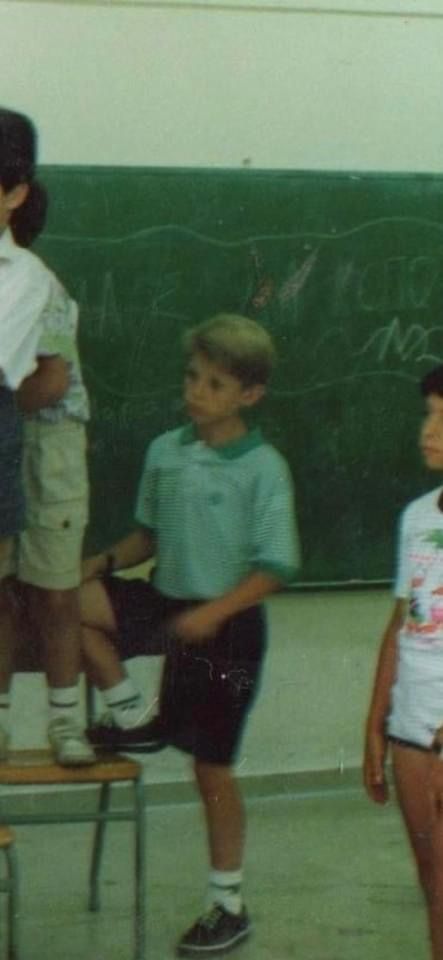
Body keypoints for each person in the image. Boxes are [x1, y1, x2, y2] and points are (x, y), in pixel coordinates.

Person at [80, 313, 300, 955]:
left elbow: (277, 566)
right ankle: (133, 713)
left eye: (214, 383)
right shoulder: (165, 451)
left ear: (249, 394)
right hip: (168, 602)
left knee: (211, 768)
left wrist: (215, 613)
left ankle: (228, 905)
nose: (196, 391)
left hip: (229, 624)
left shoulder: (264, 468)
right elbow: (148, 535)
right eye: (192, 377)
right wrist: (104, 561)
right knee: (67, 601)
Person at [0, 106, 94, 767]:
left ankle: (66, 722)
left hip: (45, 448)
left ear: (15, 194)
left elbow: (50, 382)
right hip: (5, 441)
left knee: (55, 591)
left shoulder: (36, 283)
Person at [364, 364, 443, 960]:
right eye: (428, 414)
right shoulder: (416, 518)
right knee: (433, 881)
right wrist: (376, 725)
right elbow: (401, 624)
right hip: (411, 729)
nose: (429, 430)